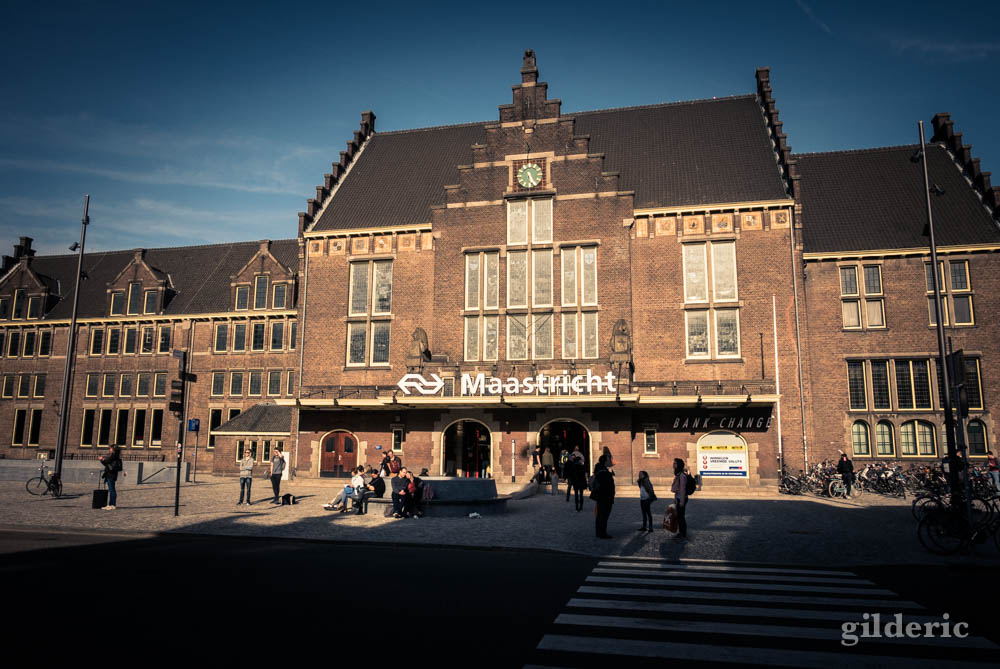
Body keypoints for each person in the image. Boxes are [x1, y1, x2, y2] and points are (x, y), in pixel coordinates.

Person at [590, 454, 615, 538]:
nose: (610, 461)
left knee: (599, 515)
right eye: (608, 460)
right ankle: (602, 533)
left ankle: (599, 532)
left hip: (600, 496)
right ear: (605, 462)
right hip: (605, 497)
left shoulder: (599, 469)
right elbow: (607, 486)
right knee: (603, 516)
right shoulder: (604, 472)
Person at [98, 445, 122, 510]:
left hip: (111, 474)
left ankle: (112, 504)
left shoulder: (113, 456)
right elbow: (107, 464)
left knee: (112, 490)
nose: (109, 449)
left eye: (110, 448)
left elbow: (108, 462)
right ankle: (111, 504)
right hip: (110, 474)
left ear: (113, 449)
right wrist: (102, 460)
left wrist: (102, 459)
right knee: (111, 489)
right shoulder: (115, 456)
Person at [671, 458, 689, 539]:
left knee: (681, 517)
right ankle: (681, 532)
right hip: (678, 498)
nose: (673, 465)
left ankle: (683, 534)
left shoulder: (682, 475)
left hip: (682, 499)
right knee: (679, 517)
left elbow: (682, 489)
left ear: (679, 465)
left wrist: (681, 502)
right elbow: (678, 489)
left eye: (675, 463)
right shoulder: (678, 474)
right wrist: (675, 498)